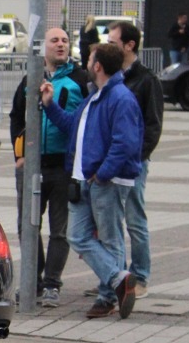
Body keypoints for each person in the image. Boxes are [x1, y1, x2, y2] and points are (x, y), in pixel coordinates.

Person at [42, 42, 141, 320]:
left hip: (104, 181)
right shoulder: (95, 97)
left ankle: (108, 295)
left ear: (97, 66)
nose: (85, 62)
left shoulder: (120, 97)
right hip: (84, 179)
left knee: (110, 238)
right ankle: (119, 280)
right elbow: (73, 124)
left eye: (89, 59)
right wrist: (49, 105)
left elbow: (125, 143)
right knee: (78, 235)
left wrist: (104, 173)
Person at [8, 27, 88, 308]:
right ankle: (34, 280)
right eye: (55, 40)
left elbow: (82, 122)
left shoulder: (79, 79)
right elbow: (16, 116)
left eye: (65, 41)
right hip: (31, 166)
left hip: (62, 166)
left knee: (59, 229)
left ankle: (52, 283)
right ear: (44, 48)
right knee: (26, 225)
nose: (61, 45)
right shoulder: (32, 77)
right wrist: (19, 155)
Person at [109, 20, 163, 299]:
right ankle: (117, 276)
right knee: (110, 221)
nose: (109, 46)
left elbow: (153, 126)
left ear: (129, 45)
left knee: (134, 220)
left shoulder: (146, 80)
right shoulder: (110, 75)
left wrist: (137, 159)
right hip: (109, 162)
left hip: (133, 164)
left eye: (113, 42)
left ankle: (140, 275)